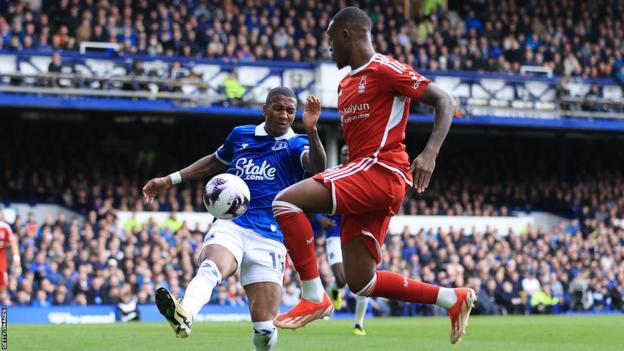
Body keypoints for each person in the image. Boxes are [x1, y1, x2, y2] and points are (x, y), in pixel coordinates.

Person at [271, 7, 476, 344]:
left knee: (285, 202)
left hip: (382, 171)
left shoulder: (384, 69)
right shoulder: (345, 86)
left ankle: (313, 296)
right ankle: (450, 298)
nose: (329, 49)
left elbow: (444, 99)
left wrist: (430, 152)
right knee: (360, 281)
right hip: (365, 175)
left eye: (331, 41)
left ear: (347, 34)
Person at [142, 87, 326, 351]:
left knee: (264, 329)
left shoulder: (297, 144)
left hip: (271, 235)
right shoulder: (241, 135)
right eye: (278, 108)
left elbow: (318, 165)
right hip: (232, 223)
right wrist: (169, 180)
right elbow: (214, 163)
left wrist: (312, 130)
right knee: (211, 266)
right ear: (265, 109)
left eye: (290, 110)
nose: (284, 115)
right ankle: (186, 313)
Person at [317, 145, 369, 336]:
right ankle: (335, 290)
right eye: (344, 153)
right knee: (341, 277)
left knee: (366, 278)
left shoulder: (365, 176)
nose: (347, 155)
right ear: (340, 155)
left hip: (358, 232)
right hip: (335, 231)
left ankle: (359, 324)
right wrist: (319, 218)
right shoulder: (332, 174)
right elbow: (315, 198)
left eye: (350, 153)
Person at [0, 212, 21, 297]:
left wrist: (16, 258)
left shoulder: (4, 227)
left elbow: (12, 242)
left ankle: (3, 309)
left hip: (1, 259)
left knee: (3, 285)